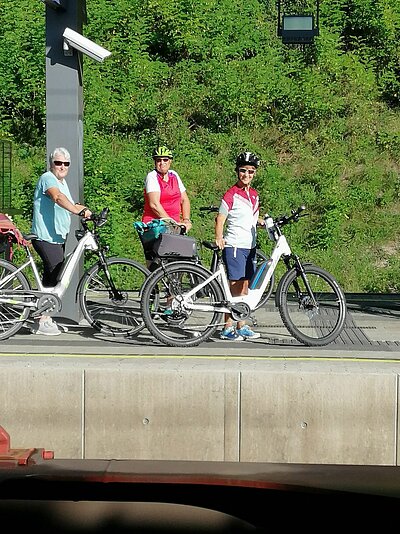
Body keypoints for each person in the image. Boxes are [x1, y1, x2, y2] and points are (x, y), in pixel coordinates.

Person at [31, 147, 92, 336]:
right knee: (56, 274)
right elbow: (57, 197)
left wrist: (90, 212)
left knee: (52, 275)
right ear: (51, 163)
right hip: (45, 237)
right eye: (58, 163)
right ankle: (43, 320)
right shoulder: (48, 178)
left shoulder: (62, 182)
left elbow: (72, 204)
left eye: (66, 164)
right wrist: (77, 211)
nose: (62, 166)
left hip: (57, 237)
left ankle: (42, 316)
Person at [215, 152, 263, 341]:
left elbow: (251, 217)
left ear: (254, 173)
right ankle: (227, 327)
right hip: (234, 244)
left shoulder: (254, 195)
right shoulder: (231, 194)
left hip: (249, 246)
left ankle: (241, 324)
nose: (247, 175)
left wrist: (260, 221)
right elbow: (220, 218)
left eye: (250, 171)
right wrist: (219, 237)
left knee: (245, 287)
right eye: (243, 171)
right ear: (237, 172)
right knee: (234, 288)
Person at [141, 145, 192, 265]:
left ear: (170, 161)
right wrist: (172, 223)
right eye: (158, 160)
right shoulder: (152, 177)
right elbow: (154, 204)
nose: (162, 163)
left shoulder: (174, 175)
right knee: (157, 264)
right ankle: (152, 283)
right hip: (155, 226)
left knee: (179, 260)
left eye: (165, 160)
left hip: (174, 226)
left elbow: (184, 199)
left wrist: (186, 220)